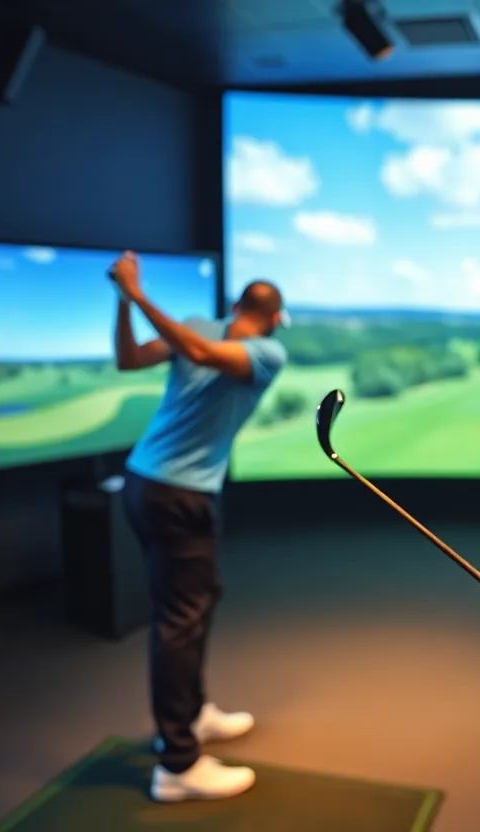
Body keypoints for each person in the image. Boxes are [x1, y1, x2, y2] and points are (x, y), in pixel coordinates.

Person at [109, 252, 288, 802]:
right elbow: (138, 358)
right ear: (278, 317)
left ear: (235, 306)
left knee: (200, 597)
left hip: (147, 484)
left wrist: (128, 299)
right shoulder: (270, 347)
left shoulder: (239, 345)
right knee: (181, 620)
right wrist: (131, 299)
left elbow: (178, 352)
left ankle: (194, 712)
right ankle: (178, 764)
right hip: (177, 494)